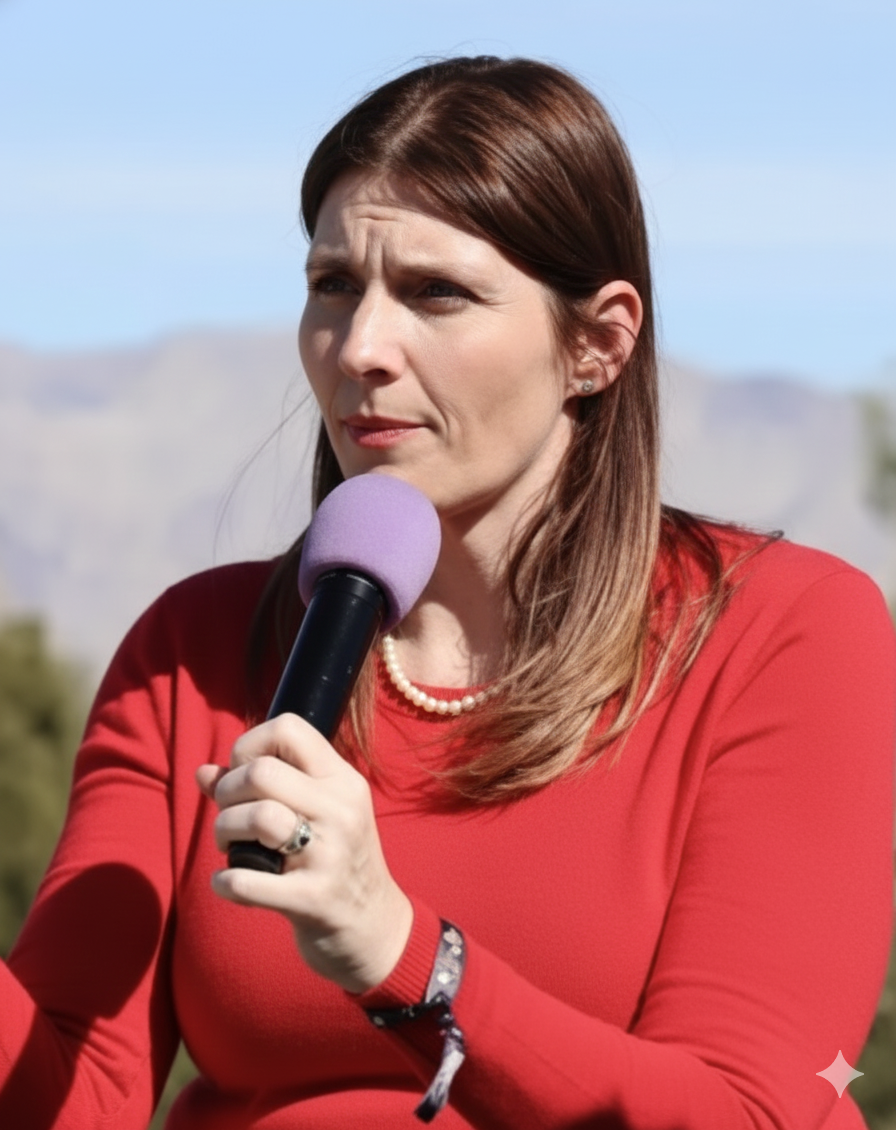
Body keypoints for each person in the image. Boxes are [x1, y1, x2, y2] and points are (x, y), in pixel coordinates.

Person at [1, 56, 893, 1130]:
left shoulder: (785, 633)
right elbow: (69, 1098)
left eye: (436, 293)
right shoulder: (195, 646)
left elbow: (760, 1111)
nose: (359, 349)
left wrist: (404, 955)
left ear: (597, 344)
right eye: (333, 285)